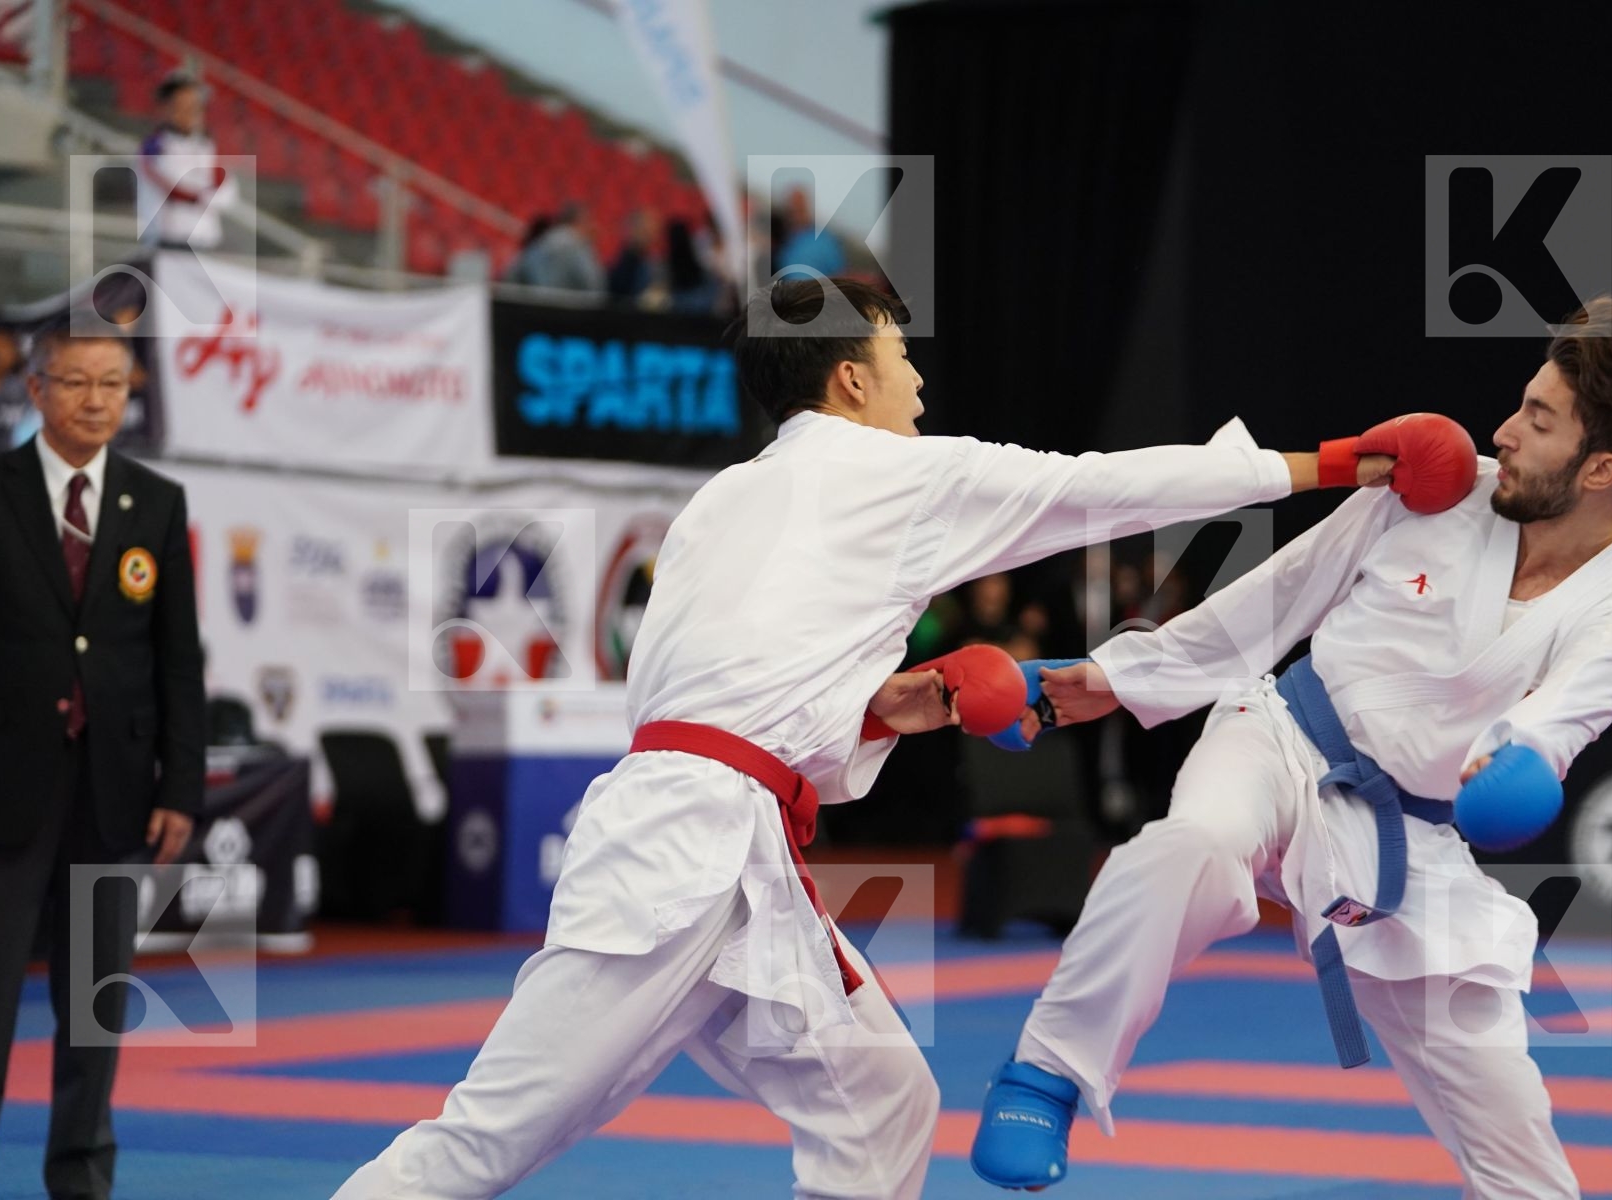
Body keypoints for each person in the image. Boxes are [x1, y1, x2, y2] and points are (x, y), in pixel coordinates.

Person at [328, 275, 1434, 1199]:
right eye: (902, 358)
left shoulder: (721, 501)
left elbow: (721, 689)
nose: (920, 383)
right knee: (488, 1140)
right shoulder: (893, 471)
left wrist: (879, 706)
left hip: (720, 835)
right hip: (682, 845)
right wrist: (1340, 464)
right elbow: (1103, 490)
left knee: (881, 1100)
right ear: (850, 377)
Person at [969, 297, 1612, 1197]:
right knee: (1189, 847)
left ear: (1602, 468)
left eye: (1539, 420)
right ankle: (1047, 1072)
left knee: (1514, 1133)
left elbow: (1561, 718)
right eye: (1521, 402)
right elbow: (1282, 593)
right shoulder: (1443, 491)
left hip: (1411, 841)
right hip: (1281, 740)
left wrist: (1516, 759)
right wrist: (1118, 679)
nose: (1505, 431)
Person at [0, 322, 205, 1200]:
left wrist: (181, 785)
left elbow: (177, 660)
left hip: (113, 792)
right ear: (38, 389)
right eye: (77, 383)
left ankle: (82, 1175)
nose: (96, 402)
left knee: (94, 1009)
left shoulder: (155, 503)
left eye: (113, 386)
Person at [136, 70, 232, 249]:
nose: (188, 113)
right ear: (165, 108)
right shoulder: (154, 146)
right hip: (168, 240)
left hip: (205, 240)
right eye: (181, 105)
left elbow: (228, 196)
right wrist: (204, 194)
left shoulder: (207, 146)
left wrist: (201, 195)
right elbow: (174, 187)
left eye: (194, 106)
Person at [503, 202, 606, 297]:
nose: (593, 227)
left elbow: (512, 276)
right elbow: (593, 285)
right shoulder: (579, 248)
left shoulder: (540, 244)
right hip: (569, 311)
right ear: (579, 222)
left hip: (532, 309)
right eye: (589, 221)